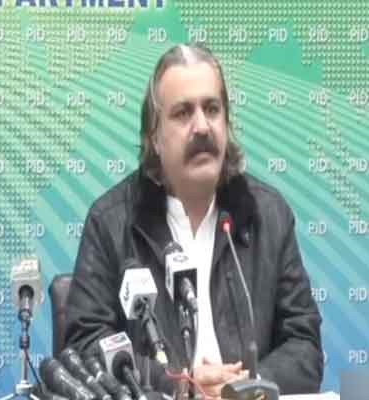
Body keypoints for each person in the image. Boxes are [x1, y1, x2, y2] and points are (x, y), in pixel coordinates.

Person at [64, 44, 323, 398]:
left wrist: (245, 388)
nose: (202, 127)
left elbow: (305, 345)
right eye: (183, 113)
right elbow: (86, 348)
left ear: (227, 123)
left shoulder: (268, 215)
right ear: (154, 137)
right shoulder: (111, 223)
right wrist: (182, 386)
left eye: (212, 109)